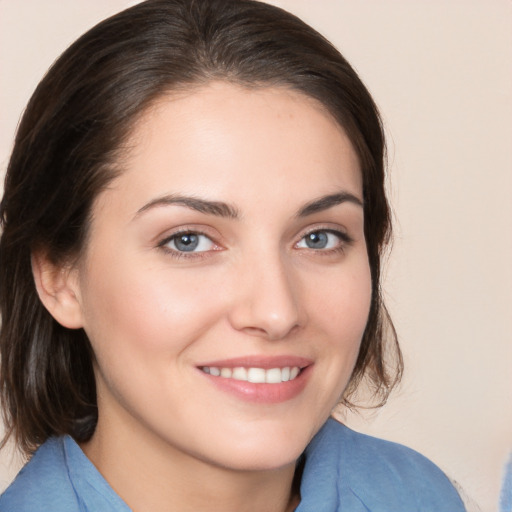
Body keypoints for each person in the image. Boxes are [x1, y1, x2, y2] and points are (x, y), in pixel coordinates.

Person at [0, 1, 466, 510]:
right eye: (188, 241)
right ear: (59, 277)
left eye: (319, 237)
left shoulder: (417, 494)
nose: (276, 312)